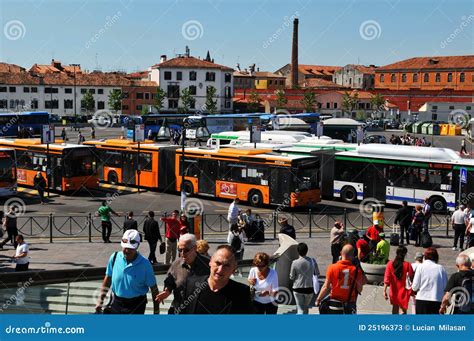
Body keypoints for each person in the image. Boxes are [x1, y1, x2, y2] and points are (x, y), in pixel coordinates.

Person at [95, 230, 160, 314]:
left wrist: (156, 312)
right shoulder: (114, 257)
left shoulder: (145, 265)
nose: (127, 251)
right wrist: (100, 301)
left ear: (137, 247)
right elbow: (108, 280)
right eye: (125, 247)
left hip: (136, 306)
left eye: (130, 248)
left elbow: (154, 289)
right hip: (116, 303)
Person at [179, 245, 254, 314]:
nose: (220, 270)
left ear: (234, 269)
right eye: (218, 263)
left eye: (226, 265)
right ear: (210, 262)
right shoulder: (191, 285)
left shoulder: (241, 293)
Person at [155, 234, 210, 314]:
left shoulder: (209, 264)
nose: (182, 253)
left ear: (195, 248)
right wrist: (167, 290)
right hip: (179, 309)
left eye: (186, 250)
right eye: (180, 250)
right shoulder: (176, 264)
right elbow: (170, 280)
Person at [316, 245, 367, 314]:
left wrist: (318, 299)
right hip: (349, 305)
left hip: (334, 304)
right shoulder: (356, 271)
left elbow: (325, 287)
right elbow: (359, 289)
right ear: (352, 256)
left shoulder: (332, 268)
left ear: (341, 253)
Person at [411, 247, 447, 314]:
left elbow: (415, 286)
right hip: (437, 299)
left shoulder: (421, 267)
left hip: (422, 299)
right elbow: (445, 287)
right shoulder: (441, 268)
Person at [290, 242, 320, 314]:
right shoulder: (312, 261)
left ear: (298, 251)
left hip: (297, 288)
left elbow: (291, 277)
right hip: (309, 288)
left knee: (300, 308)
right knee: (306, 308)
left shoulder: (294, 262)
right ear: (307, 250)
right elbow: (317, 274)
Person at [383, 246, 413, 314]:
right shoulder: (408, 265)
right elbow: (411, 278)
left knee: (395, 308)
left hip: (394, 290)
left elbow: (387, 279)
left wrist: (384, 291)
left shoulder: (390, 264)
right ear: (405, 254)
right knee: (403, 310)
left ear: (396, 253)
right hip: (404, 291)